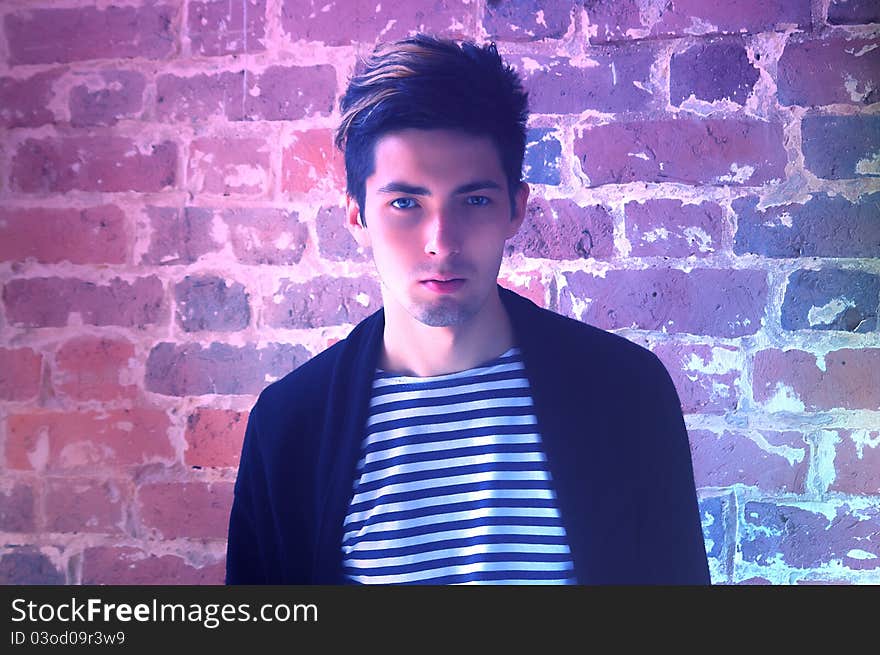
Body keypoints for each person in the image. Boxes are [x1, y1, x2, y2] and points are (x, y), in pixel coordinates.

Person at [225, 34, 710, 585]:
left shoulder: (626, 392)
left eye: (473, 200)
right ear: (358, 217)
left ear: (514, 209)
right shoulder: (290, 425)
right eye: (405, 203)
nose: (441, 241)